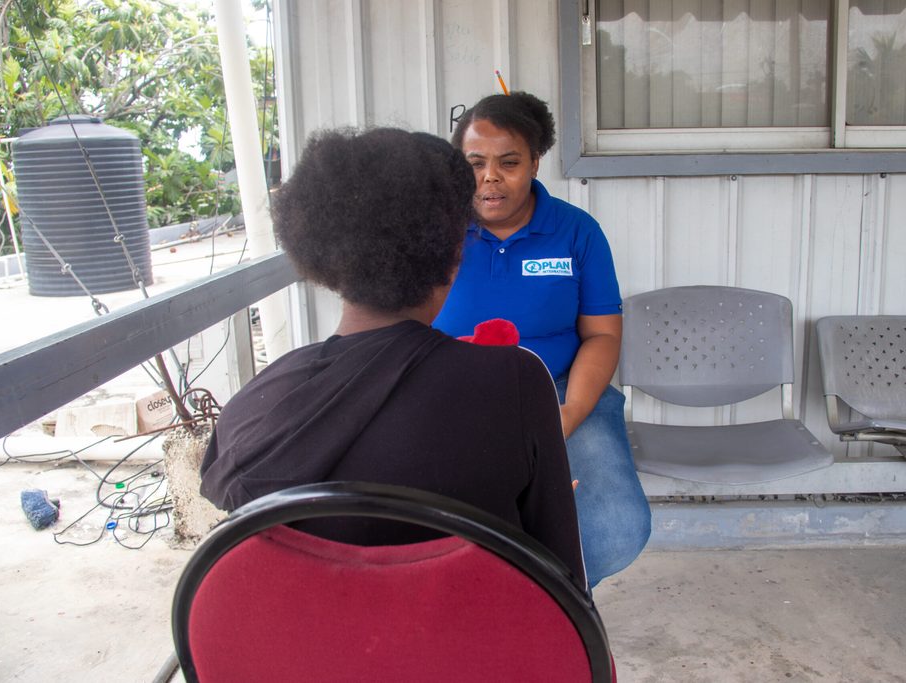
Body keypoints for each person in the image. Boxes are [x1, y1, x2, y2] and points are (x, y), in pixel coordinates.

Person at [199, 127, 585, 588]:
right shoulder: (514, 381)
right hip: (470, 650)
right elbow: (561, 584)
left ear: (323, 255)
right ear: (454, 254)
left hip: (307, 654)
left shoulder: (252, 407)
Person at [434, 92, 651, 587]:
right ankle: (483, 605)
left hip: (559, 388)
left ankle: (556, 604)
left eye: (508, 163)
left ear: (535, 161)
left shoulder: (576, 233)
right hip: (450, 393)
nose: (490, 177)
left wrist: (568, 415)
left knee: (615, 525)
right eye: (474, 163)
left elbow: (600, 334)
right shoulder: (436, 230)